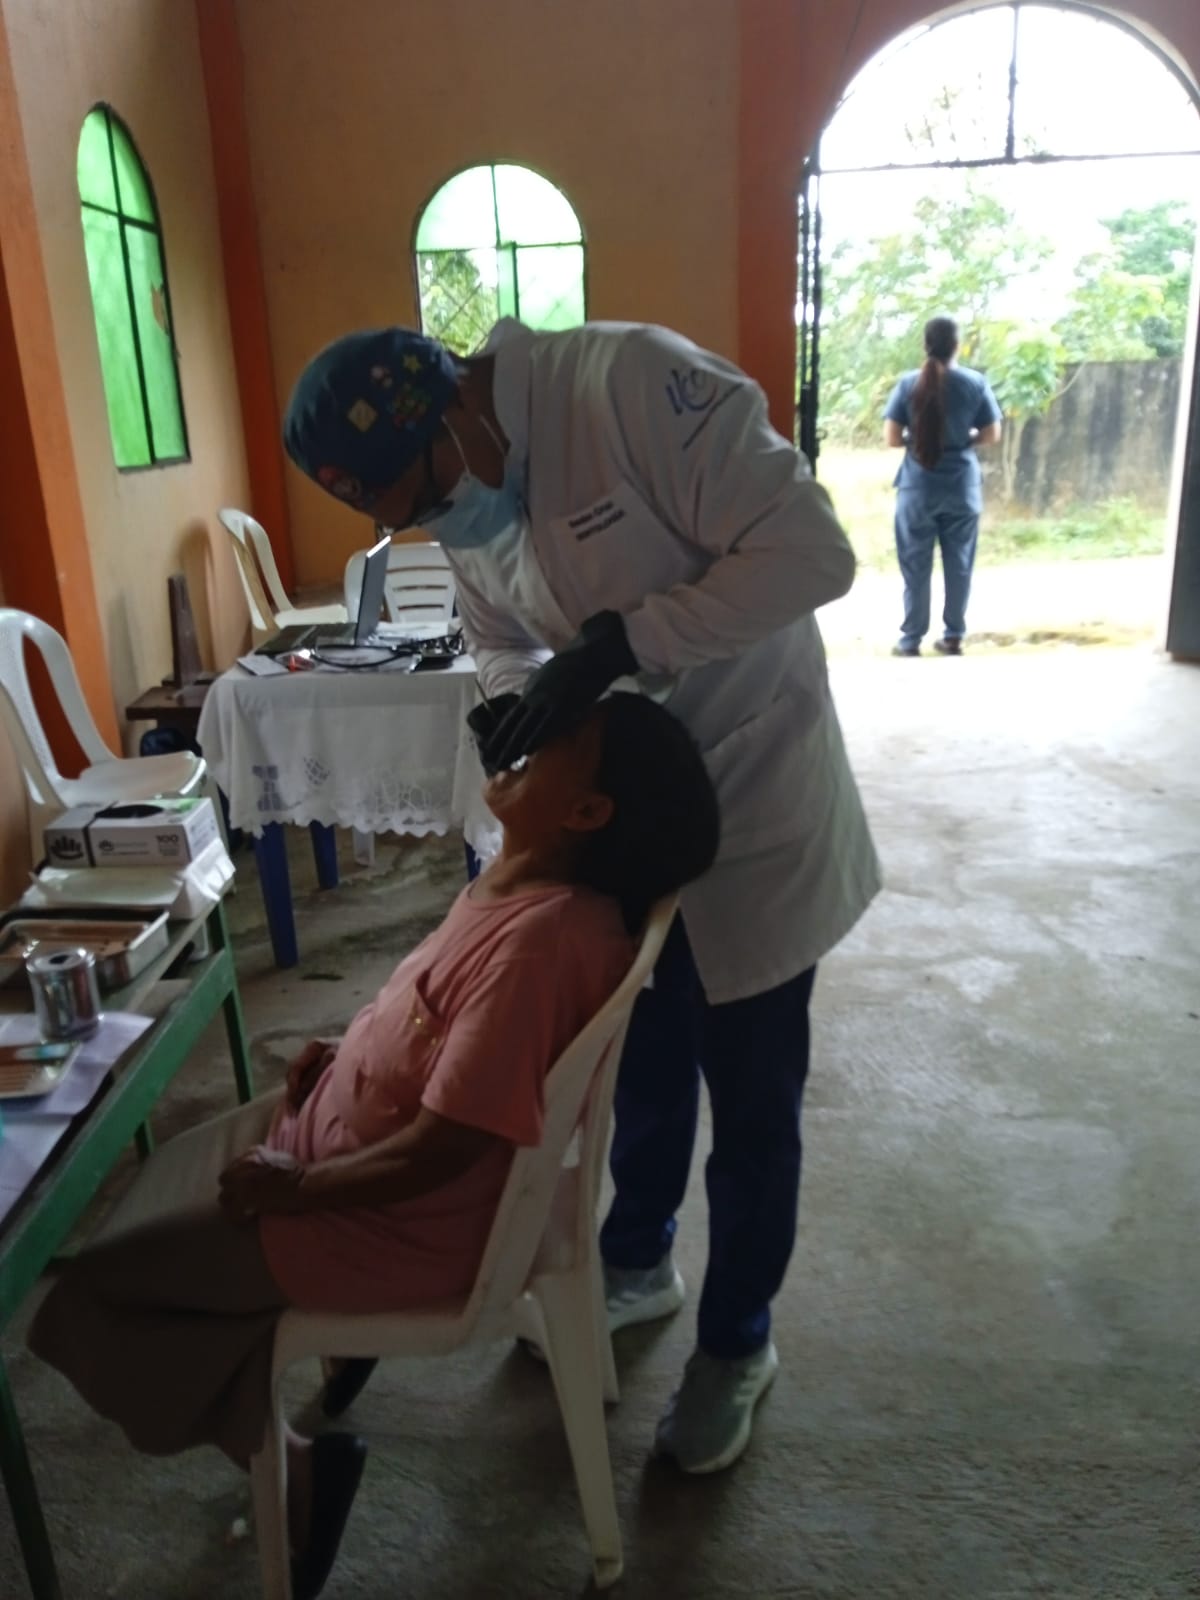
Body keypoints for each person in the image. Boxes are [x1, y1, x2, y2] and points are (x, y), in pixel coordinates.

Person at [283, 317, 881, 1475]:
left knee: (753, 1097)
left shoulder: (631, 387)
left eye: (429, 491)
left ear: (456, 403)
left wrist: (621, 645)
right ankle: (637, 1259)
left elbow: (815, 554)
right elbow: (500, 636)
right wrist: (532, 701)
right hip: (617, 821)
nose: (439, 520)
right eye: (409, 516)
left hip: (754, 783)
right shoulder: (465, 493)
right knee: (638, 1056)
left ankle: (738, 1341)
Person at [29, 693, 720, 1600]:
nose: (526, 739)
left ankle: (296, 1468)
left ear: (588, 811)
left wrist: (300, 1190)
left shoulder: (539, 945)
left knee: (83, 1299)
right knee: (160, 1211)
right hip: (338, 1157)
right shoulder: (519, 885)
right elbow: (434, 1014)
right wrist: (353, 1048)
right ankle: (263, 1347)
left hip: (383, 1221)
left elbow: (448, 1146)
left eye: (561, 741)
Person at [883, 316, 1003, 657]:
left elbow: (892, 438)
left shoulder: (907, 384)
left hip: (917, 488)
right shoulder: (974, 383)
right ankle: (953, 636)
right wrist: (964, 440)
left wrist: (918, 440)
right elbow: (992, 433)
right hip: (962, 487)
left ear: (925, 345)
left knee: (915, 567)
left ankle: (911, 640)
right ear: (957, 346)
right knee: (960, 564)